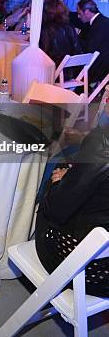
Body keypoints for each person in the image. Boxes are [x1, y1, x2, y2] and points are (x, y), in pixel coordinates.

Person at [35, 121, 109, 297]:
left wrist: (59, 184)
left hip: (89, 269)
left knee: (54, 176)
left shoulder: (102, 142)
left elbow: (57, 210)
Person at [39, 0, 82, 68]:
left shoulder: (45, 28)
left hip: (50, 69)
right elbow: (77, 51)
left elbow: (42, 53)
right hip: (68, 69)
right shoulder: (70, 27)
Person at [77, 0, 109, 84]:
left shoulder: (99, 24)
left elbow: (90, 49)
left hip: (100, 67)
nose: (78, 16)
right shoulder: (103, 20)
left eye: (79, 13)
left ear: (87, 12)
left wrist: (76, 37)